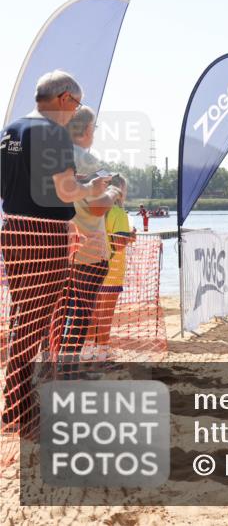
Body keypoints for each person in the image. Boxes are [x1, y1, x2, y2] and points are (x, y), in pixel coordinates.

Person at [0, 71, 110, 435]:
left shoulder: (10, 131)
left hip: (13, 230)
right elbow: (65, 191)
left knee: (23, 317)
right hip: (44, 235)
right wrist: (90, 186)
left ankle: (18, 402)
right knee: (35, 322)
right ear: (64, 99)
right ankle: (18, 407)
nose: (74, 112)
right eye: (75, 105)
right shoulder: (54, 134)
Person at [62, 107, 121, 374]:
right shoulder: (86, 160)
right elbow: (98, 207)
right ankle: (69, 370)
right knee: (80, 314)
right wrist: (113, 190)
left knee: (64, 314)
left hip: (62, 249)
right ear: (86, 129)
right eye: (93, 128)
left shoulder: (54, 157)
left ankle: (61, 368)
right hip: (89, 249)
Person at [91, 174, 135, 359]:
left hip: (92, 267)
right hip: (112, 270)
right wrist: (130, 236)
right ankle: (102, 349)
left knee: (92, 312)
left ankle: (87, 348)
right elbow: (118, 244)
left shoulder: (93, 210)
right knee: (106, 312)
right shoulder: (118, 213)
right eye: (124, 189)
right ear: (119, 191)